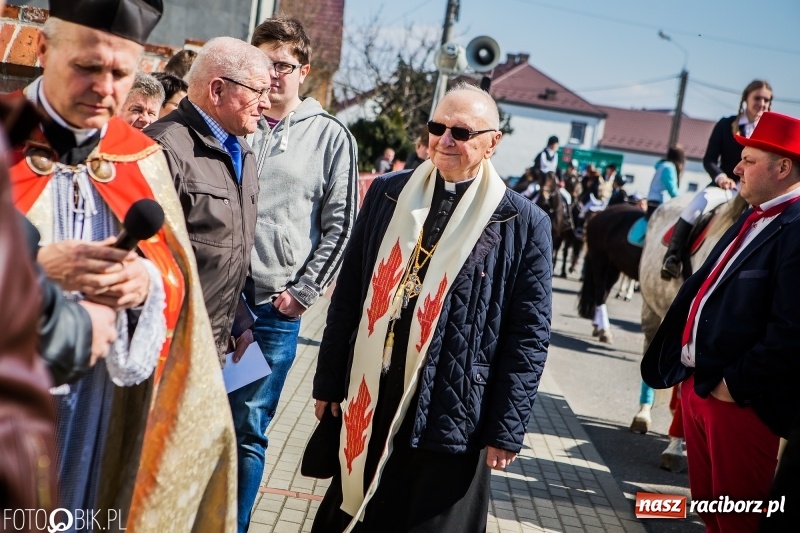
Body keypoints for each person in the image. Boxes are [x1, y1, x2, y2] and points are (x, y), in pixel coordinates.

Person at [6, 1, 238, 528]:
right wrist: (39, 268)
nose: (104, 88)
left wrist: (148, 284)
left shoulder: (141, 157)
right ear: (43, 49)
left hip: (98, 402)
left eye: (120, 73)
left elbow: (175, 283)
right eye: (87, 67)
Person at [311, 83, 553, 532]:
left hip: (453, 411)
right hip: (374, 394)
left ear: (492, 142)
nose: (445, 140)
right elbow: (348, 297)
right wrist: (328, 381)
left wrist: (506, 428)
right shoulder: (387, 193)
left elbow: (529, 336)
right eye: (437, 127)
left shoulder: (522, 221)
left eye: (460, 132)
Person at [641, 111, 800, 533]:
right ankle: (674, 249)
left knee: (738, 523)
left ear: (782, 167)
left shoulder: (797, 227)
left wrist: (733, 386)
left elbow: (791, 330)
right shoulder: (751, 214)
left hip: (738, 402)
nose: (737, 166)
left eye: (748, 160)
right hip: (702, 389)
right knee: (713, 517)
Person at [231, 17, 359, 531]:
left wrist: (301, 294)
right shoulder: (237, 121)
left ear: (303, 71)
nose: (274, 75)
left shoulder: (331, 137)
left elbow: (341, 223)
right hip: (218, 301)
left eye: (283, 65)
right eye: (264, 65)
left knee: (248, 429)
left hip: (270, 311)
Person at [146, 37, 271, 362]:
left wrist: (240, 321)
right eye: (259, 91)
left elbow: (225, 252)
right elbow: (143, 262)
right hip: (166, 350)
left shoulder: (243, 151)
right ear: (217, 91)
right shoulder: (162, 149)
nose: (267, 103)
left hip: (215, 348)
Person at [661, 80, 772, 280]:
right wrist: (721, 177)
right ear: (746, 98)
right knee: (698, 203)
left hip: (756, 191)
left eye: (767, 99)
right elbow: (710, 159)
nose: (762, 103)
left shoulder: (769, 133)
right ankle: (673, 257)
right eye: (758, 98)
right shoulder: (725, 125)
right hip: (726, 188)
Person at [646, 145, 684, 217]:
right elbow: (672, 189)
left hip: (653, 200)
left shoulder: (663, 165)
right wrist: (681, 201)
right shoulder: (669, 167)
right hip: (659, 202)